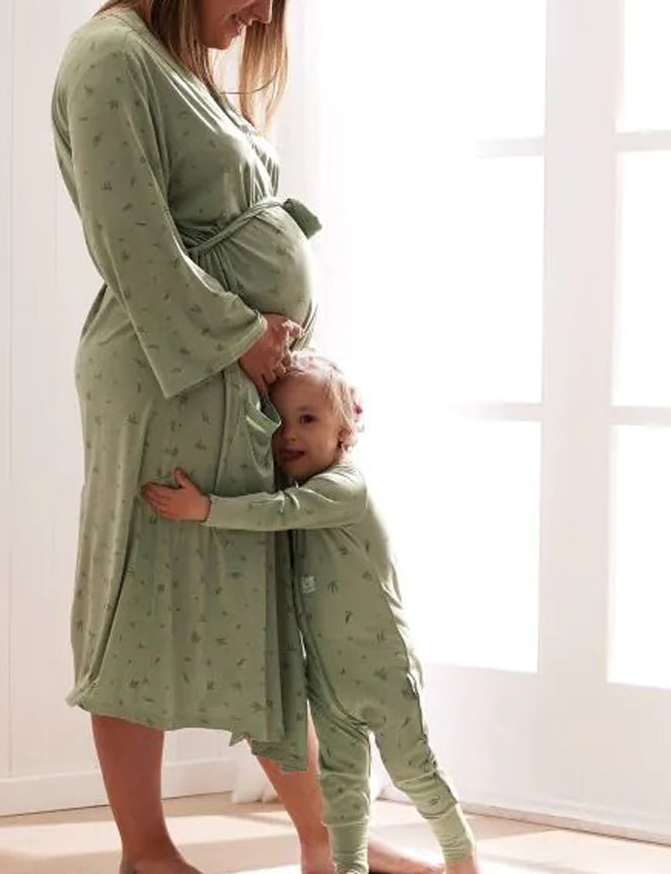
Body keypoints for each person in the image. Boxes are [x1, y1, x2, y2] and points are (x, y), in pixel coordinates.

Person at [52, 0, 446, 873]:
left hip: (230, 378)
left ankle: (328, 838)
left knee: (265, 608)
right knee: (137, 600)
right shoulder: (109, 58)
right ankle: (147, 849)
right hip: (163, 376)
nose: (264, 10)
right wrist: (241, 336)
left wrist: (276, 358)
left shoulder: (180, 68)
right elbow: (131, 240)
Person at [142, 352, 482, 874]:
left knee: (414, 771)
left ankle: (462, 858)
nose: (290, 435)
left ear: (343, 432)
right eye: (279, 422)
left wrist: (207, 508)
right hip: (328, 681)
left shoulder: (344, 490)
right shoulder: (299, 487)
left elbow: (282, 512)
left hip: (382, 669)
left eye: (308, 419)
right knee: (341, 789)